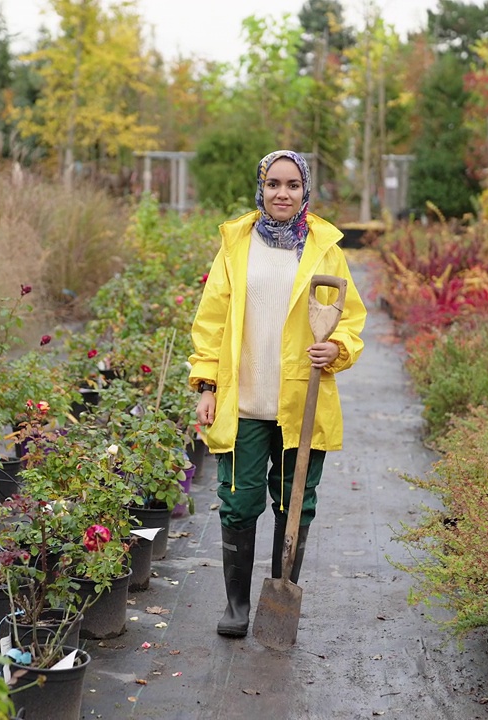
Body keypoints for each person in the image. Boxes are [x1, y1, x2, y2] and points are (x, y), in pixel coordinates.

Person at [188, 150, 367, 638]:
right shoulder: (236, 244)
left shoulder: (325, 249)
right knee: (239, 502)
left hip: (299, 406)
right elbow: (212, 320)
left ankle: (279, 596)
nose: (281, 193)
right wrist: (206, 384)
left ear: (305, 190)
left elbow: (349, 319)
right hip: (244, 403)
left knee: (294, 503)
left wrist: (336, 347)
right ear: (260, 188)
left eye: (291, 185)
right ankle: (237, 606)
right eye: (273, 184)